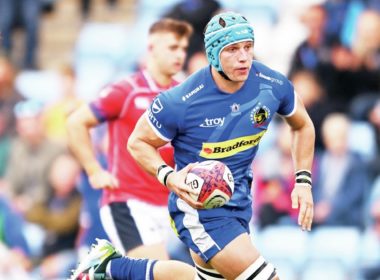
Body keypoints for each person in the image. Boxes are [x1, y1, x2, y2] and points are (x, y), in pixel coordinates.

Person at [70, 11, 315, 280]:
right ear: (213, 54)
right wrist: (169, 176)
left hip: (239, 204)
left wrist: (303, 181)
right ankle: (111, 268)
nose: (244, 57)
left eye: (248, 47)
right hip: (199, 210)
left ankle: (109, 267)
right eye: (232, 49)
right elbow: (137, 142)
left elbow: (302, 125)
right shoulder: (181, 99)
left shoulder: (272, 84)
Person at [66, 18, 193, 260]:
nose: (180, 55)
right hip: (128, 202)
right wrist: (94, 170)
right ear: (152, 48)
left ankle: (101, 272)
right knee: (160, 271)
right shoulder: (126, 90)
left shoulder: (184, 94)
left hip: (169, 204)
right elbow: (76, 122)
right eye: (173, 47)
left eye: (184, 48)